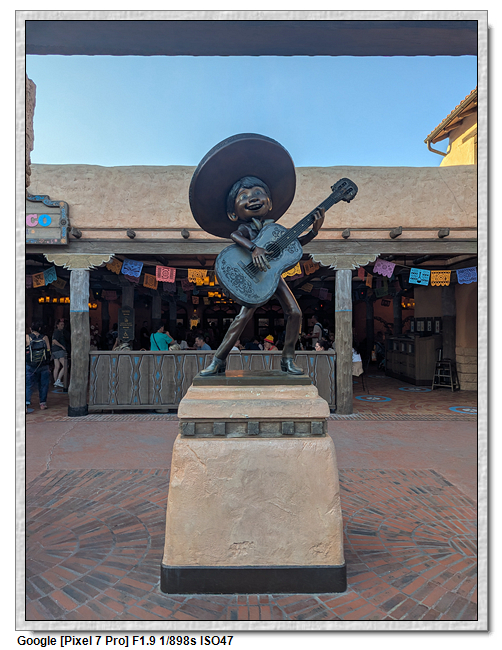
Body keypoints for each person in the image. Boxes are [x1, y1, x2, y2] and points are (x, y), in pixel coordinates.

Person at [189, 134, 324, 377]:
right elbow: (234, 236)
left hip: (270, 274)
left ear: (270, 203)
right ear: (233, 213)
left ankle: (287, 359)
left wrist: (313, 232)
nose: (252, 198)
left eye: (258, 192)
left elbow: (293, 246)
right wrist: (254, 248)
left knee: (295, 312)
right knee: (242, 317)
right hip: (252, 275)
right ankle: (218, 360)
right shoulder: (244, 229)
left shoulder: (275, 230)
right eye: (243, 196)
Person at [26, 322, 51, 411]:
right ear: (40, 328)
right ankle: (42, 404)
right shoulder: (45, 337)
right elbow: (48, 350)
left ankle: (26, 404)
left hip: (30, 365)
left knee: (28, 385)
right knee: (43, 384)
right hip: (43, 365)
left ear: (30, 329)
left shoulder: (27, 337)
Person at [51, 318, 68, 388]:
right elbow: (54, 341)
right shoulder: (58, 332)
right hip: (59, 350)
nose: (62, 326)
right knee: (65, 365)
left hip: (54, 350)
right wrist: (62, 346)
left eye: (63, 325)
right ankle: (58, 380)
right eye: (61, 324)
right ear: (57, 325)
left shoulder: (56, 332)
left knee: (57, 366)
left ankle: (56, 382)